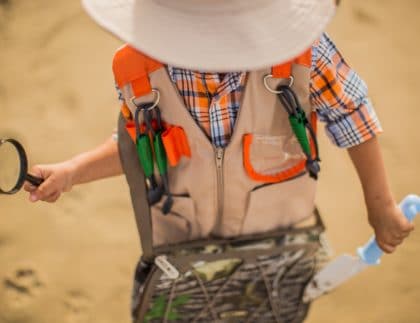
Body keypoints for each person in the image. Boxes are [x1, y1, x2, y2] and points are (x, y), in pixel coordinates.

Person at [24, 0, 414, 321]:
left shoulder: (303, 54)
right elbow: (137, 147)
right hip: (180, 263)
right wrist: (73, 171)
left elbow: (351, 110)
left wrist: (379, 207)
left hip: (277, 256)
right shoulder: (136, 69)